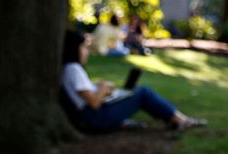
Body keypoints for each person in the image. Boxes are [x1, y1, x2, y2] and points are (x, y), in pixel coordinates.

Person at [60, 31, 205, 133]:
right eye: (84, 47)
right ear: (74, 49)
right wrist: (103, 89)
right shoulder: (73, 69)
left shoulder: (70, 69)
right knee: (143, 93)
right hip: (96, 119)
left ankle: (173, 118)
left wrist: (103, 89)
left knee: (131, 94)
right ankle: (179, 120)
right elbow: (94, 103)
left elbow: (88, 95)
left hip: (93, 117)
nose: (87, 52)